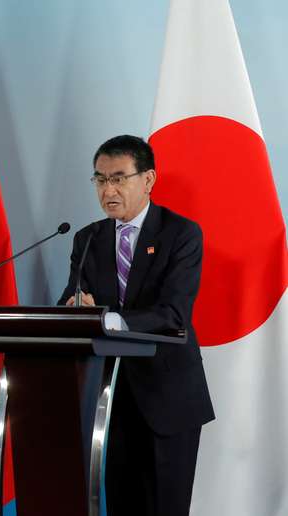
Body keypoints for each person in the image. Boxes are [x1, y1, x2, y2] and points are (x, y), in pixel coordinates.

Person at [59, 135, 215, 516]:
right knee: (123, 502)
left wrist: (106, 318)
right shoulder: (88, 238)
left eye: (118, 178)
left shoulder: (181, 233)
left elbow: (174, 313)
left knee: (165, 505)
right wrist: (75, 306)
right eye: (99, 179)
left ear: (148, 180)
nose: (108, 189)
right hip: (111, 397)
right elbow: (73, 299)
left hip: (167, 395)